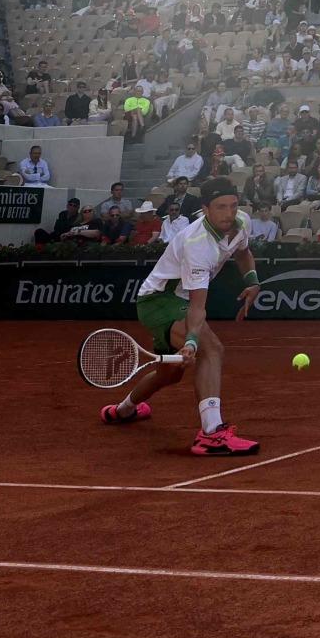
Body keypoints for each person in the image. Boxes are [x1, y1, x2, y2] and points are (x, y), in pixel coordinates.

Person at [111, 182, 262, 454]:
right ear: (205, 210)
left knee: (169, 375)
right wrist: (192, 341)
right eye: (220, 207)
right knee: (211, 349)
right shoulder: (196, 244)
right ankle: (211, 434)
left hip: (177, 302)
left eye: (233, 206)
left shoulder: (241, 222)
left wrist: (253, 281)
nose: (229, 213)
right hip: (159, 302)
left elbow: (242, 253)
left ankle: (124, 410)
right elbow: (196, 306)